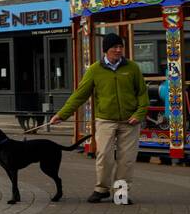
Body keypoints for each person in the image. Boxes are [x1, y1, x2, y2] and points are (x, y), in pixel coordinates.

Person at [50, 32, 147, 203]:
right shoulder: (95, 70)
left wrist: (138, 114)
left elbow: (142, 94)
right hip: (105, 120)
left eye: (120, 47)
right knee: (104, 155)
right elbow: (80, 95)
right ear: (105, 50)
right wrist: (62, 114)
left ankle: (120, 194)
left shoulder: (132, 68)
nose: (118, 50)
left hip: (130, 122)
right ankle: (101, 189)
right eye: (114, 47)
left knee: (126, 159)